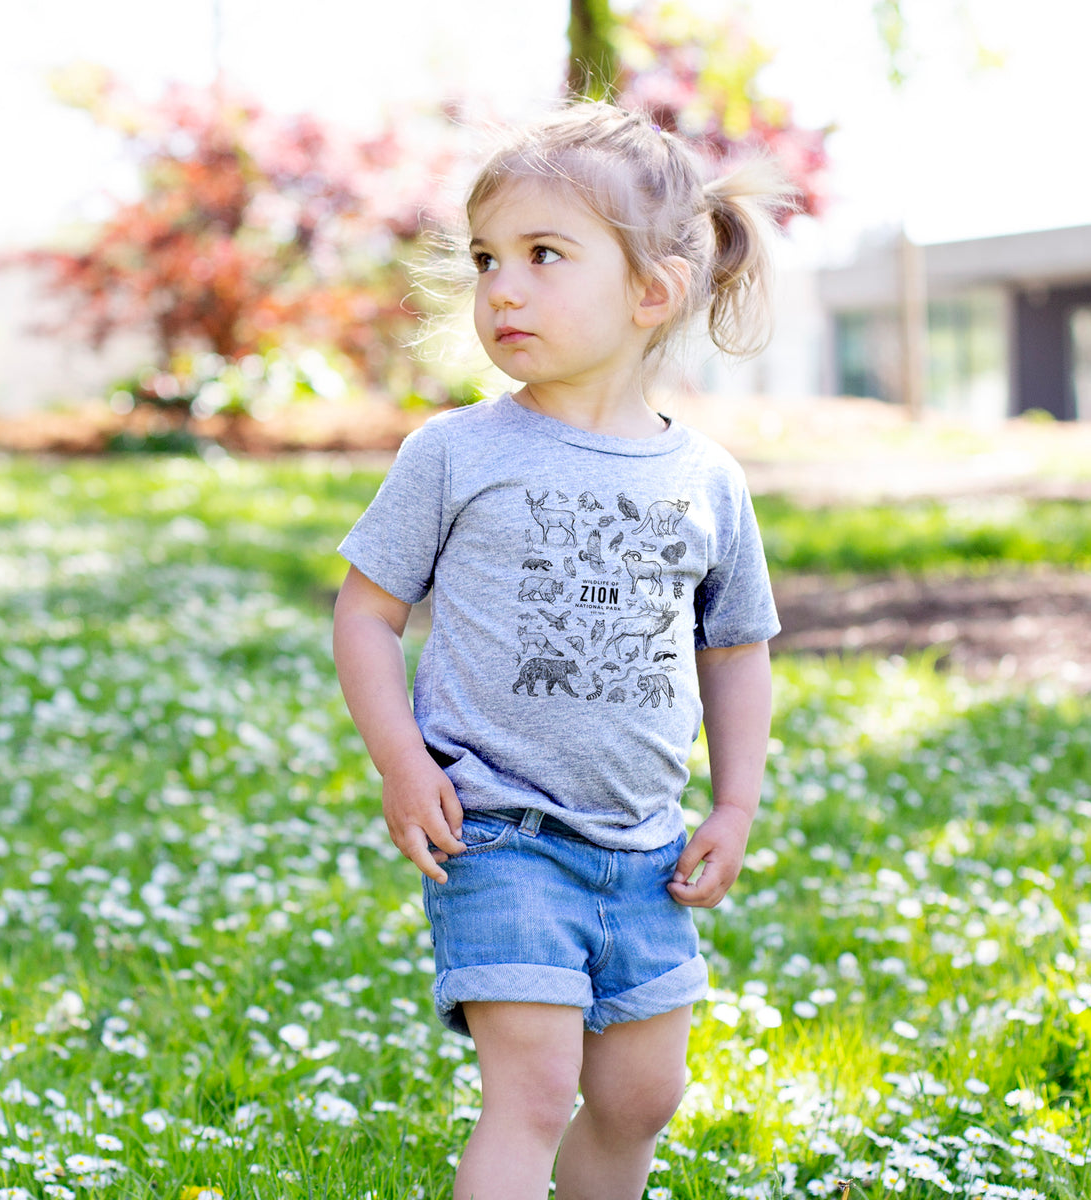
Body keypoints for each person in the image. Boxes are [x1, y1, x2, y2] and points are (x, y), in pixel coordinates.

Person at [332, 100, 786, 1200]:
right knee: (532, 1093)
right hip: (500, 831)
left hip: (647, 850)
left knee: (640, 1102)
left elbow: (735, 651)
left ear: (652, 291)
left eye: (544, 255)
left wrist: (732, 807)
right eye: (488, 258)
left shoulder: (707, 481)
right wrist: (403, 762)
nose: (502, 287)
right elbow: (366, 613)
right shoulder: (456, 451)